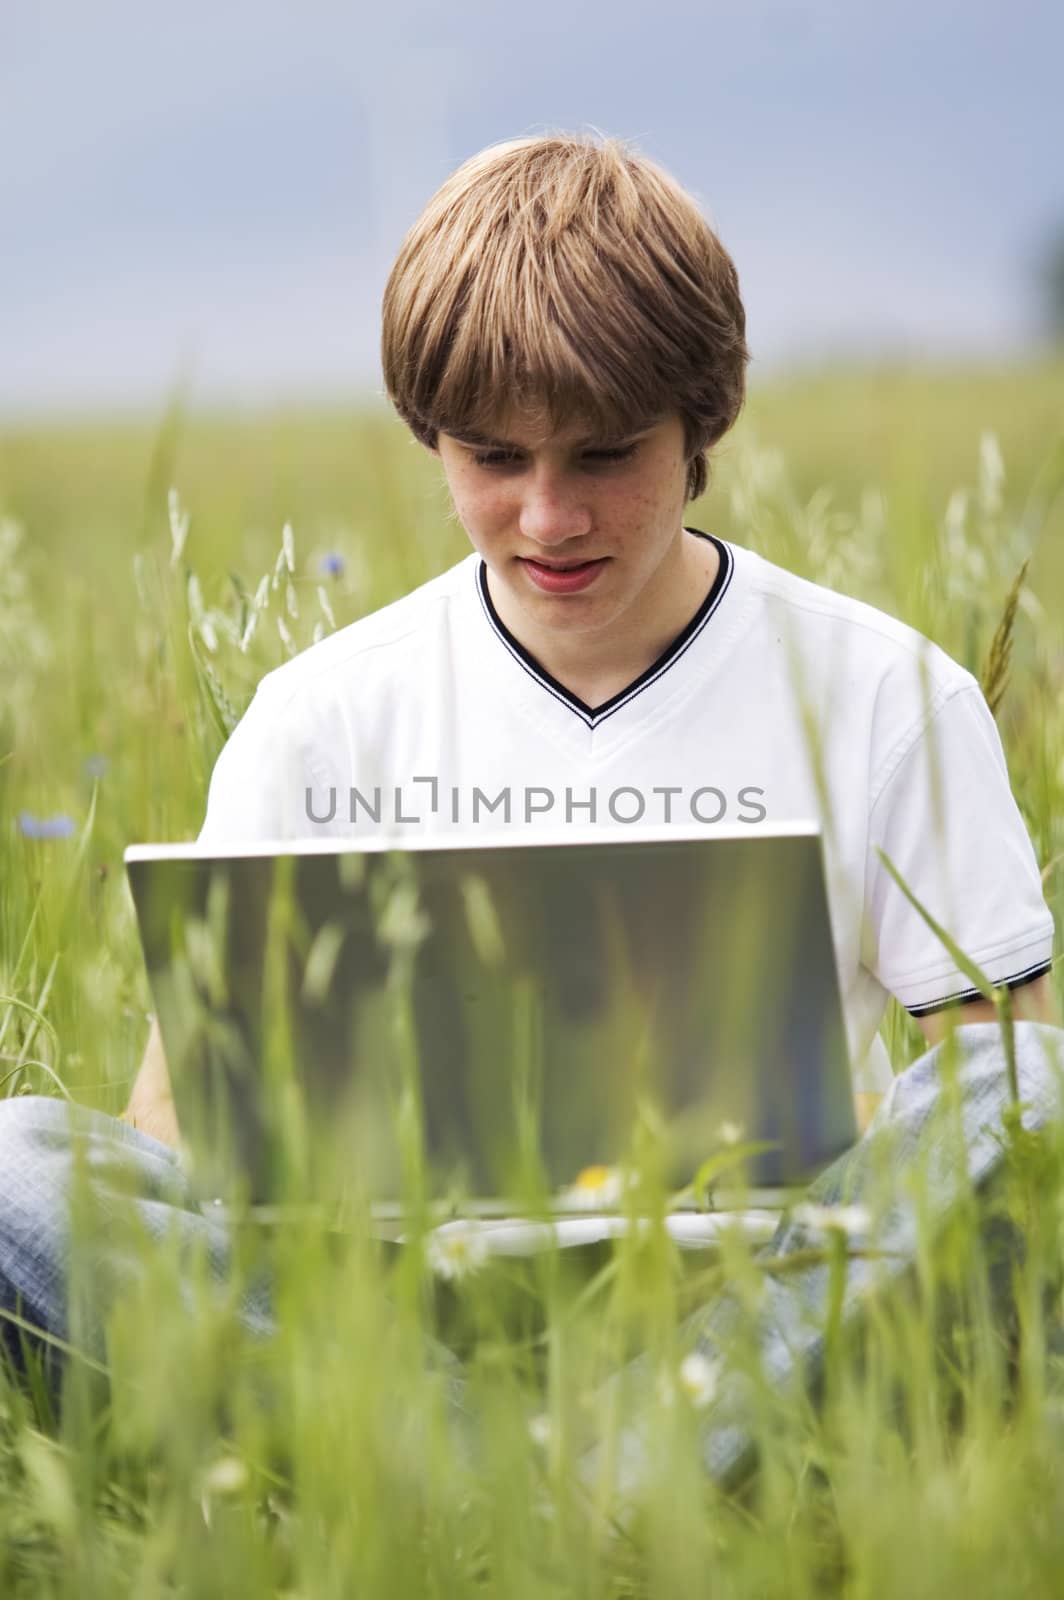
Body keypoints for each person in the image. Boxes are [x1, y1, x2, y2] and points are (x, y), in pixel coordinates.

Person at [1, 133, 1060, 1488]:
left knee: (1040, 1098)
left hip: (765, 1297)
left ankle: (524, 1475)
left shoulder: (885, 694)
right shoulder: (323, 714)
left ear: (703, 427)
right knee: (20, 1164)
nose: (547, 517)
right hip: (376, 1311)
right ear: (428, 438)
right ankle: (587, 1474)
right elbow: (173, 1141)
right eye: (493, 457)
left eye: (606, 454)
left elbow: (1009, 1104)